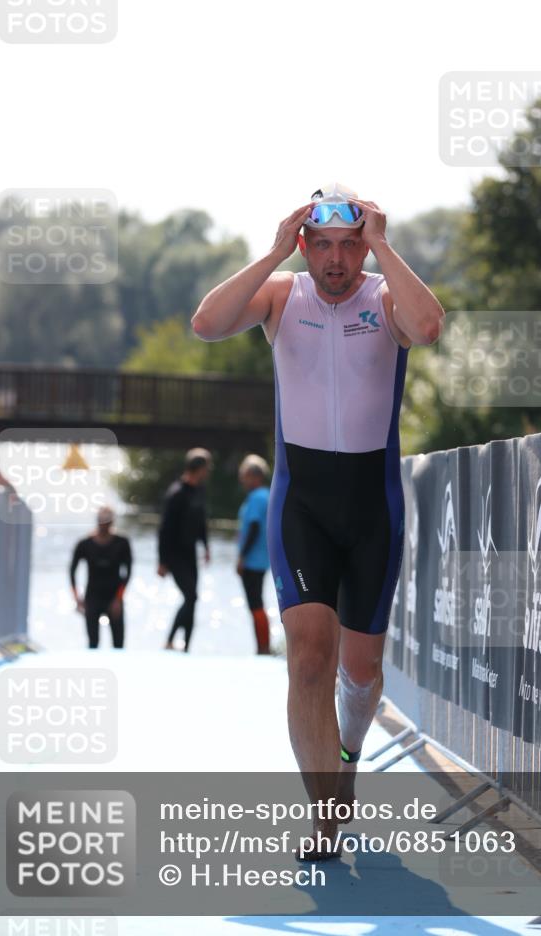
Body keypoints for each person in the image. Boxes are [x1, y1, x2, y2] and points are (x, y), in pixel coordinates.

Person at [192, 182, 445, 859]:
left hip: (371, 506)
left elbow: (427, 327)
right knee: (308, 657)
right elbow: (207, 324)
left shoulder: (384, 301)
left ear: (364, 246)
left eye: (350, 245)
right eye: (323, 245)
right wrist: (273, 251)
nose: (336, 260)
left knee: (358, 673)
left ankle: (350, 751)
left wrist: (386, 247)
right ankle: (325, 817)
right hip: (300, 500)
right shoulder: (282, 294)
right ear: (305, 244)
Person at [158, 447, 212, 652]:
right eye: (206, 468)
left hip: (190, 552)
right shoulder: (176, 493)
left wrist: (206, 547)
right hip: (175, 555)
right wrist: (162, 561)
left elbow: (201, 523)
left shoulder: (200, 490)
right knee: (191, 596)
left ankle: (186, 646)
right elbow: (164, 529)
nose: (208, 472)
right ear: (197, 468)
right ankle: (170, 640)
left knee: (192, 599)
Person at [70, 505, 132, 649]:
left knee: (118, 645)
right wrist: (77, 598)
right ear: (97, 521)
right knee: (93, 644)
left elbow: (128, 573)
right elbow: (72, 571)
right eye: (101, 521)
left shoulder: (122, 543)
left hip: (114, 596)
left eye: (107, 522)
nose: (104, 525)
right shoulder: (85, 544)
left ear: (112, 522)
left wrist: (119, 598)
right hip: (93, 597)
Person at [236, 454, 272, 655]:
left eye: (245, 475)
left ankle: (263, 647)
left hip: (253, 560)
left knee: (255, 602)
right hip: (260, 558)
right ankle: (262, 645)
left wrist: (242, 556)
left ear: (255, 476)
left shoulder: (258, 497)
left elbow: (255, 526)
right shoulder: (263, 495)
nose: (242, 479)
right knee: (255, 601)